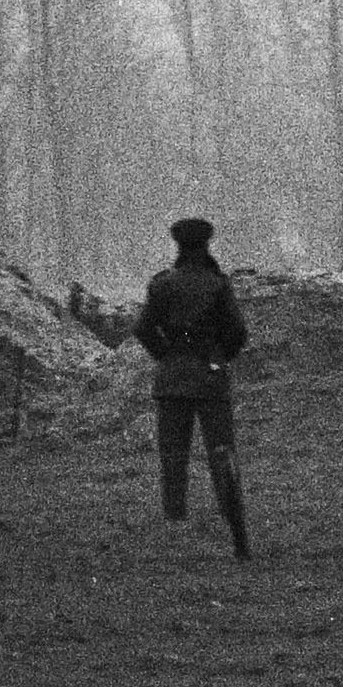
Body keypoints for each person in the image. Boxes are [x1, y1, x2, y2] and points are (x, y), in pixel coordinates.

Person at [134, 215, 250, 534]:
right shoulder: (218, 284)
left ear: (178, 245)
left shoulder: (162, 284)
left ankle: (174, 516)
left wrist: (166, 355)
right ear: (206, 244)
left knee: (173, 453)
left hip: (173, 376)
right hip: (211, 376)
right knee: (221, 449)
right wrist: (219, 357)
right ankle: (231, 512)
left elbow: (143, 328)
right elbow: (237, 331)